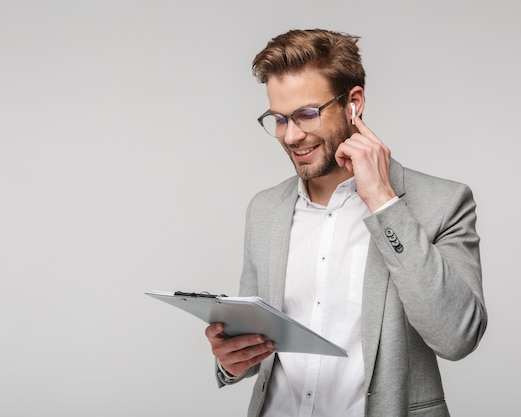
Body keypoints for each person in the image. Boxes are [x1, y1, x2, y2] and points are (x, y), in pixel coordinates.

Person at [205, 28, 487, 417]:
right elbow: (256, 346)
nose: (291, 135)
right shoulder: (265, 209)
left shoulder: (443, 202)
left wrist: (384, 203)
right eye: (279, 119)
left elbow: (457, 337)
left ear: (353, 104)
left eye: (306, 114)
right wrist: (232, 359)